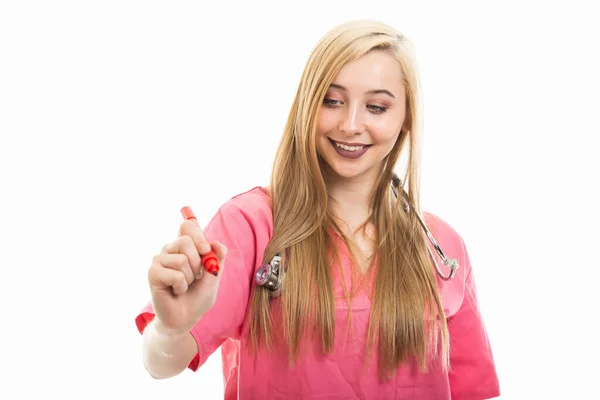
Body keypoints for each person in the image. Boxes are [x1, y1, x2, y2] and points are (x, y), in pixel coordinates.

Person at [135, 19, 500, 399]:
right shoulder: (250, 226)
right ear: (308, 104)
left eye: (376, 107)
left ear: (405, 117)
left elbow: (472, 391)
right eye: (332, 100)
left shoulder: (442, 246)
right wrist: (171, 329)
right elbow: (161, 363)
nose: (350, 124)